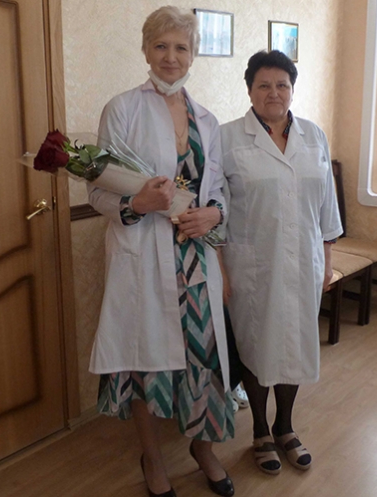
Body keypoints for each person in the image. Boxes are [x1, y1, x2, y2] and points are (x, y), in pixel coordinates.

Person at [86, 6, 234, 497]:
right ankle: (152, 457)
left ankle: (203, 448)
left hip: (195, 256)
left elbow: (219, 191)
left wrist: (213, 215)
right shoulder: (122, 109)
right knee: (145, 361)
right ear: (146, 50)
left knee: (205, 357)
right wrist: (138, 204)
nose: (171, 57)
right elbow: (97, 192)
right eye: (161, 46)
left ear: (194, 55)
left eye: (181, 47)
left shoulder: (207, 120)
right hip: (145, 255)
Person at [219, 50, 343, 475]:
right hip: (252, 265)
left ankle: (285, 426)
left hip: (305, 259)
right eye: (264, 85)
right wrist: (221, 270)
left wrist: (327, 260)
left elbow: (327, 204)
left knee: (295, 345)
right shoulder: (227, 138)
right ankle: (259, 431)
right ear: (249, 90)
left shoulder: (314, 135)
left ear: (292, 90)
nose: (274, 93)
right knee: (257, 345)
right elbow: (216, 207)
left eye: (282, 85)